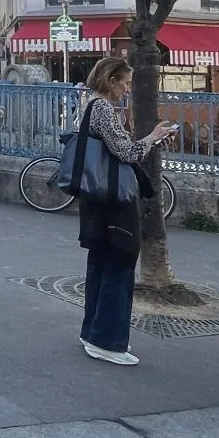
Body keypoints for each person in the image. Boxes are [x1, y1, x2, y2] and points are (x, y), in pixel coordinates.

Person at [74, 57, 175, 367]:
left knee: (101, 264)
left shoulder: (88, 103)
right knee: (119, 264)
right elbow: (126, 152)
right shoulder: (102, 108)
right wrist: (154, 137)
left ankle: (92, 333)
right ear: (111, 79)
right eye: (126, 82)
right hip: (112, 201)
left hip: (96, 198)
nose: (128, 89)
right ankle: (107, 341)